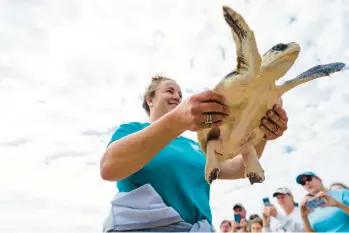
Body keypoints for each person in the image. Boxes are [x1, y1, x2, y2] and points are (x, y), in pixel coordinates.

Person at [100, 76, 289, 232]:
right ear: (150, 99)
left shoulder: (195, 145)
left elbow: (239, 168)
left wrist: (262, 131)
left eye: (180, 94)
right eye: (169, 91)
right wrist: (178, 120)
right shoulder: (132, 129)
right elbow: (109, 168)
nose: (177, 96)